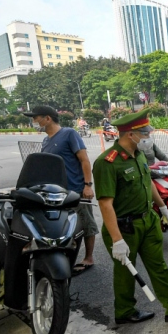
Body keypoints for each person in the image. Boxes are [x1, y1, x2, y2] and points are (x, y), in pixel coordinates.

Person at [92, 109, 168, 325]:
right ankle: (124, 312)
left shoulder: (138, 155)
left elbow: (148, 182)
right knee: (124, 272)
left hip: (148, 220)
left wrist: (164, 208)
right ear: (130, 135)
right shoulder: (107, 162)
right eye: (144, 133)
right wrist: (117, 240)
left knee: (158, 265)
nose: (148, 137)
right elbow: (105, 204)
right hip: (124, 227)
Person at [24, 106, 98, 276]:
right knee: (63, 226)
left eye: (35, 118)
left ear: (47, 118)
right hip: (56, 193)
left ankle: (88, 257)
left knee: (86, 224)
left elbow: (84, 160)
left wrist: (87, 185)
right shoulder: (45, 141)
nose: (33, 122)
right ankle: (65, 258)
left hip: (75, 190)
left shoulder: (69, 134)